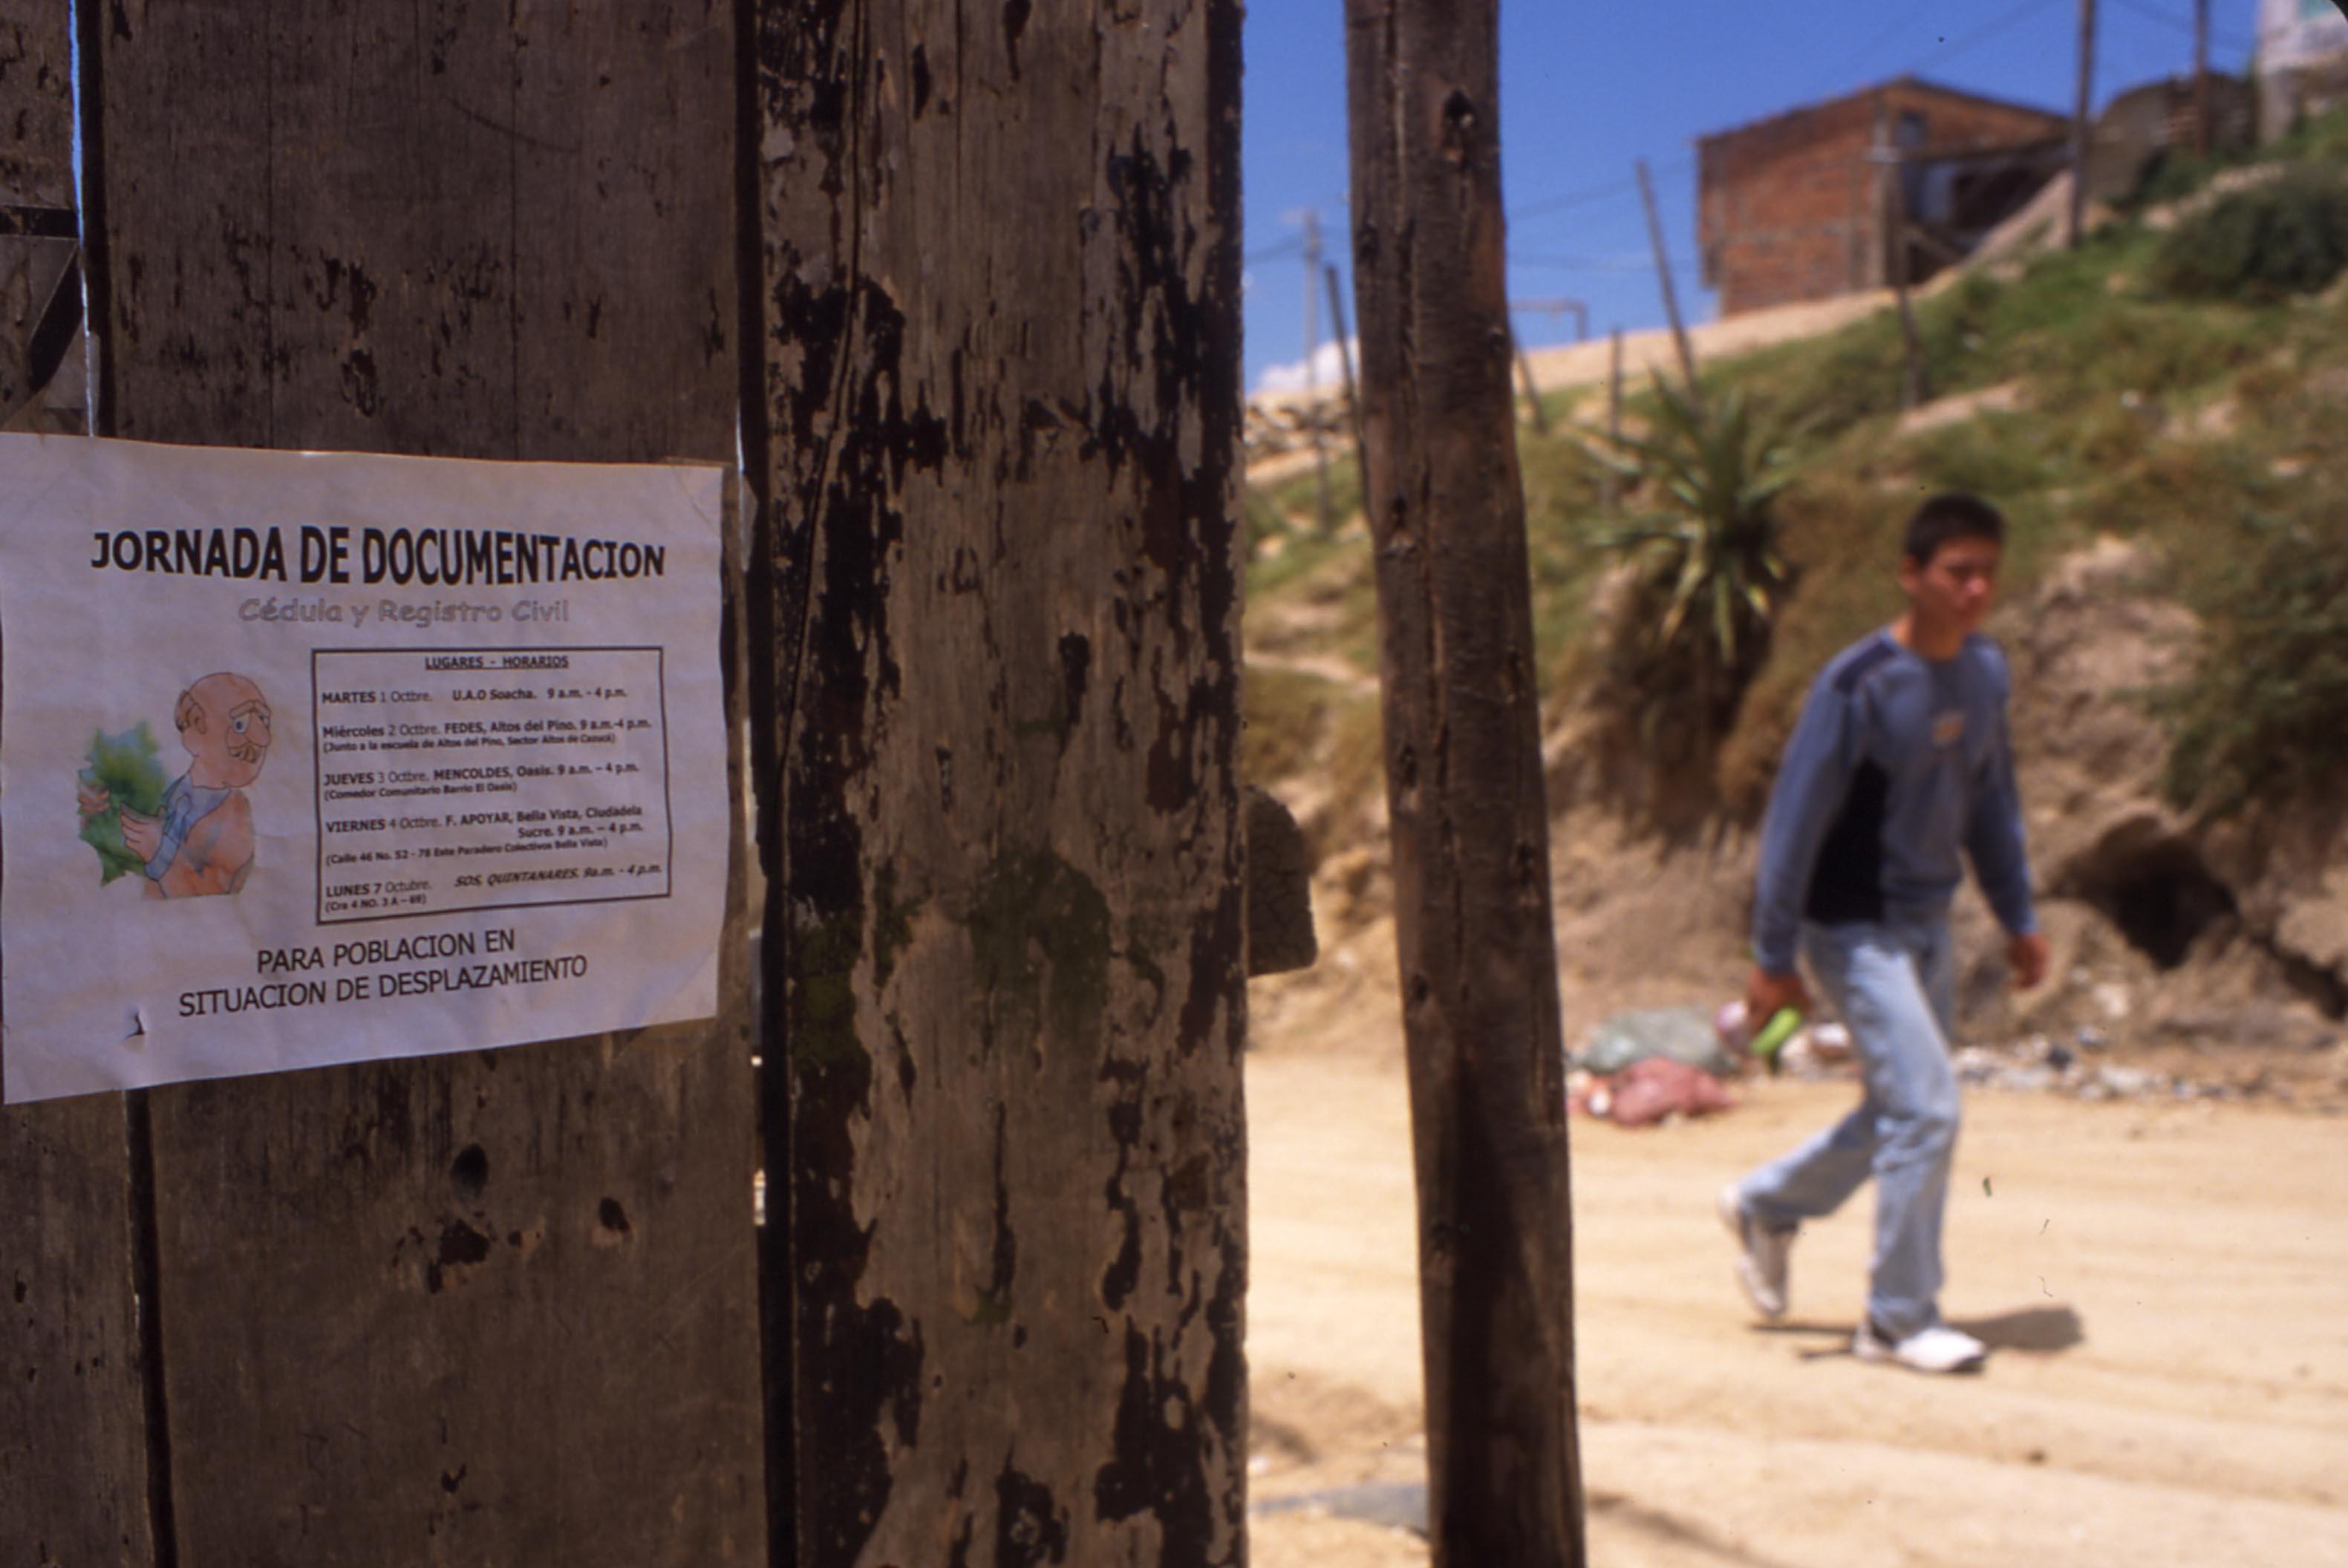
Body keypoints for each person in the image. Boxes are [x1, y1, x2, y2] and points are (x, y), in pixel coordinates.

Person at [1718, 493, 2049, 1374]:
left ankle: (1767, 1205)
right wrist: (1772, 956)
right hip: (1851, 929)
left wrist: (2018, 916)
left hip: (1927, 922)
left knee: (1900, 1108)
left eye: (1987, 573)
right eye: (1957, 572)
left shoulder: (1984, 673)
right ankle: (1897, 1321)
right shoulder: (1858, 683)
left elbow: (1993, 803)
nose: (1976, 590)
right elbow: (1793, 825)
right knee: (1928, 1109)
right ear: (1911, 575)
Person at [77, 672, 273, 898]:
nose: (262, 739)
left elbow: (212, 895)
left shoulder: (236, 814)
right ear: (195, 723)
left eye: (264, 722)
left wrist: (160, 853)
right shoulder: (173, 794)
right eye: (240, 724)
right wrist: (98, 814)